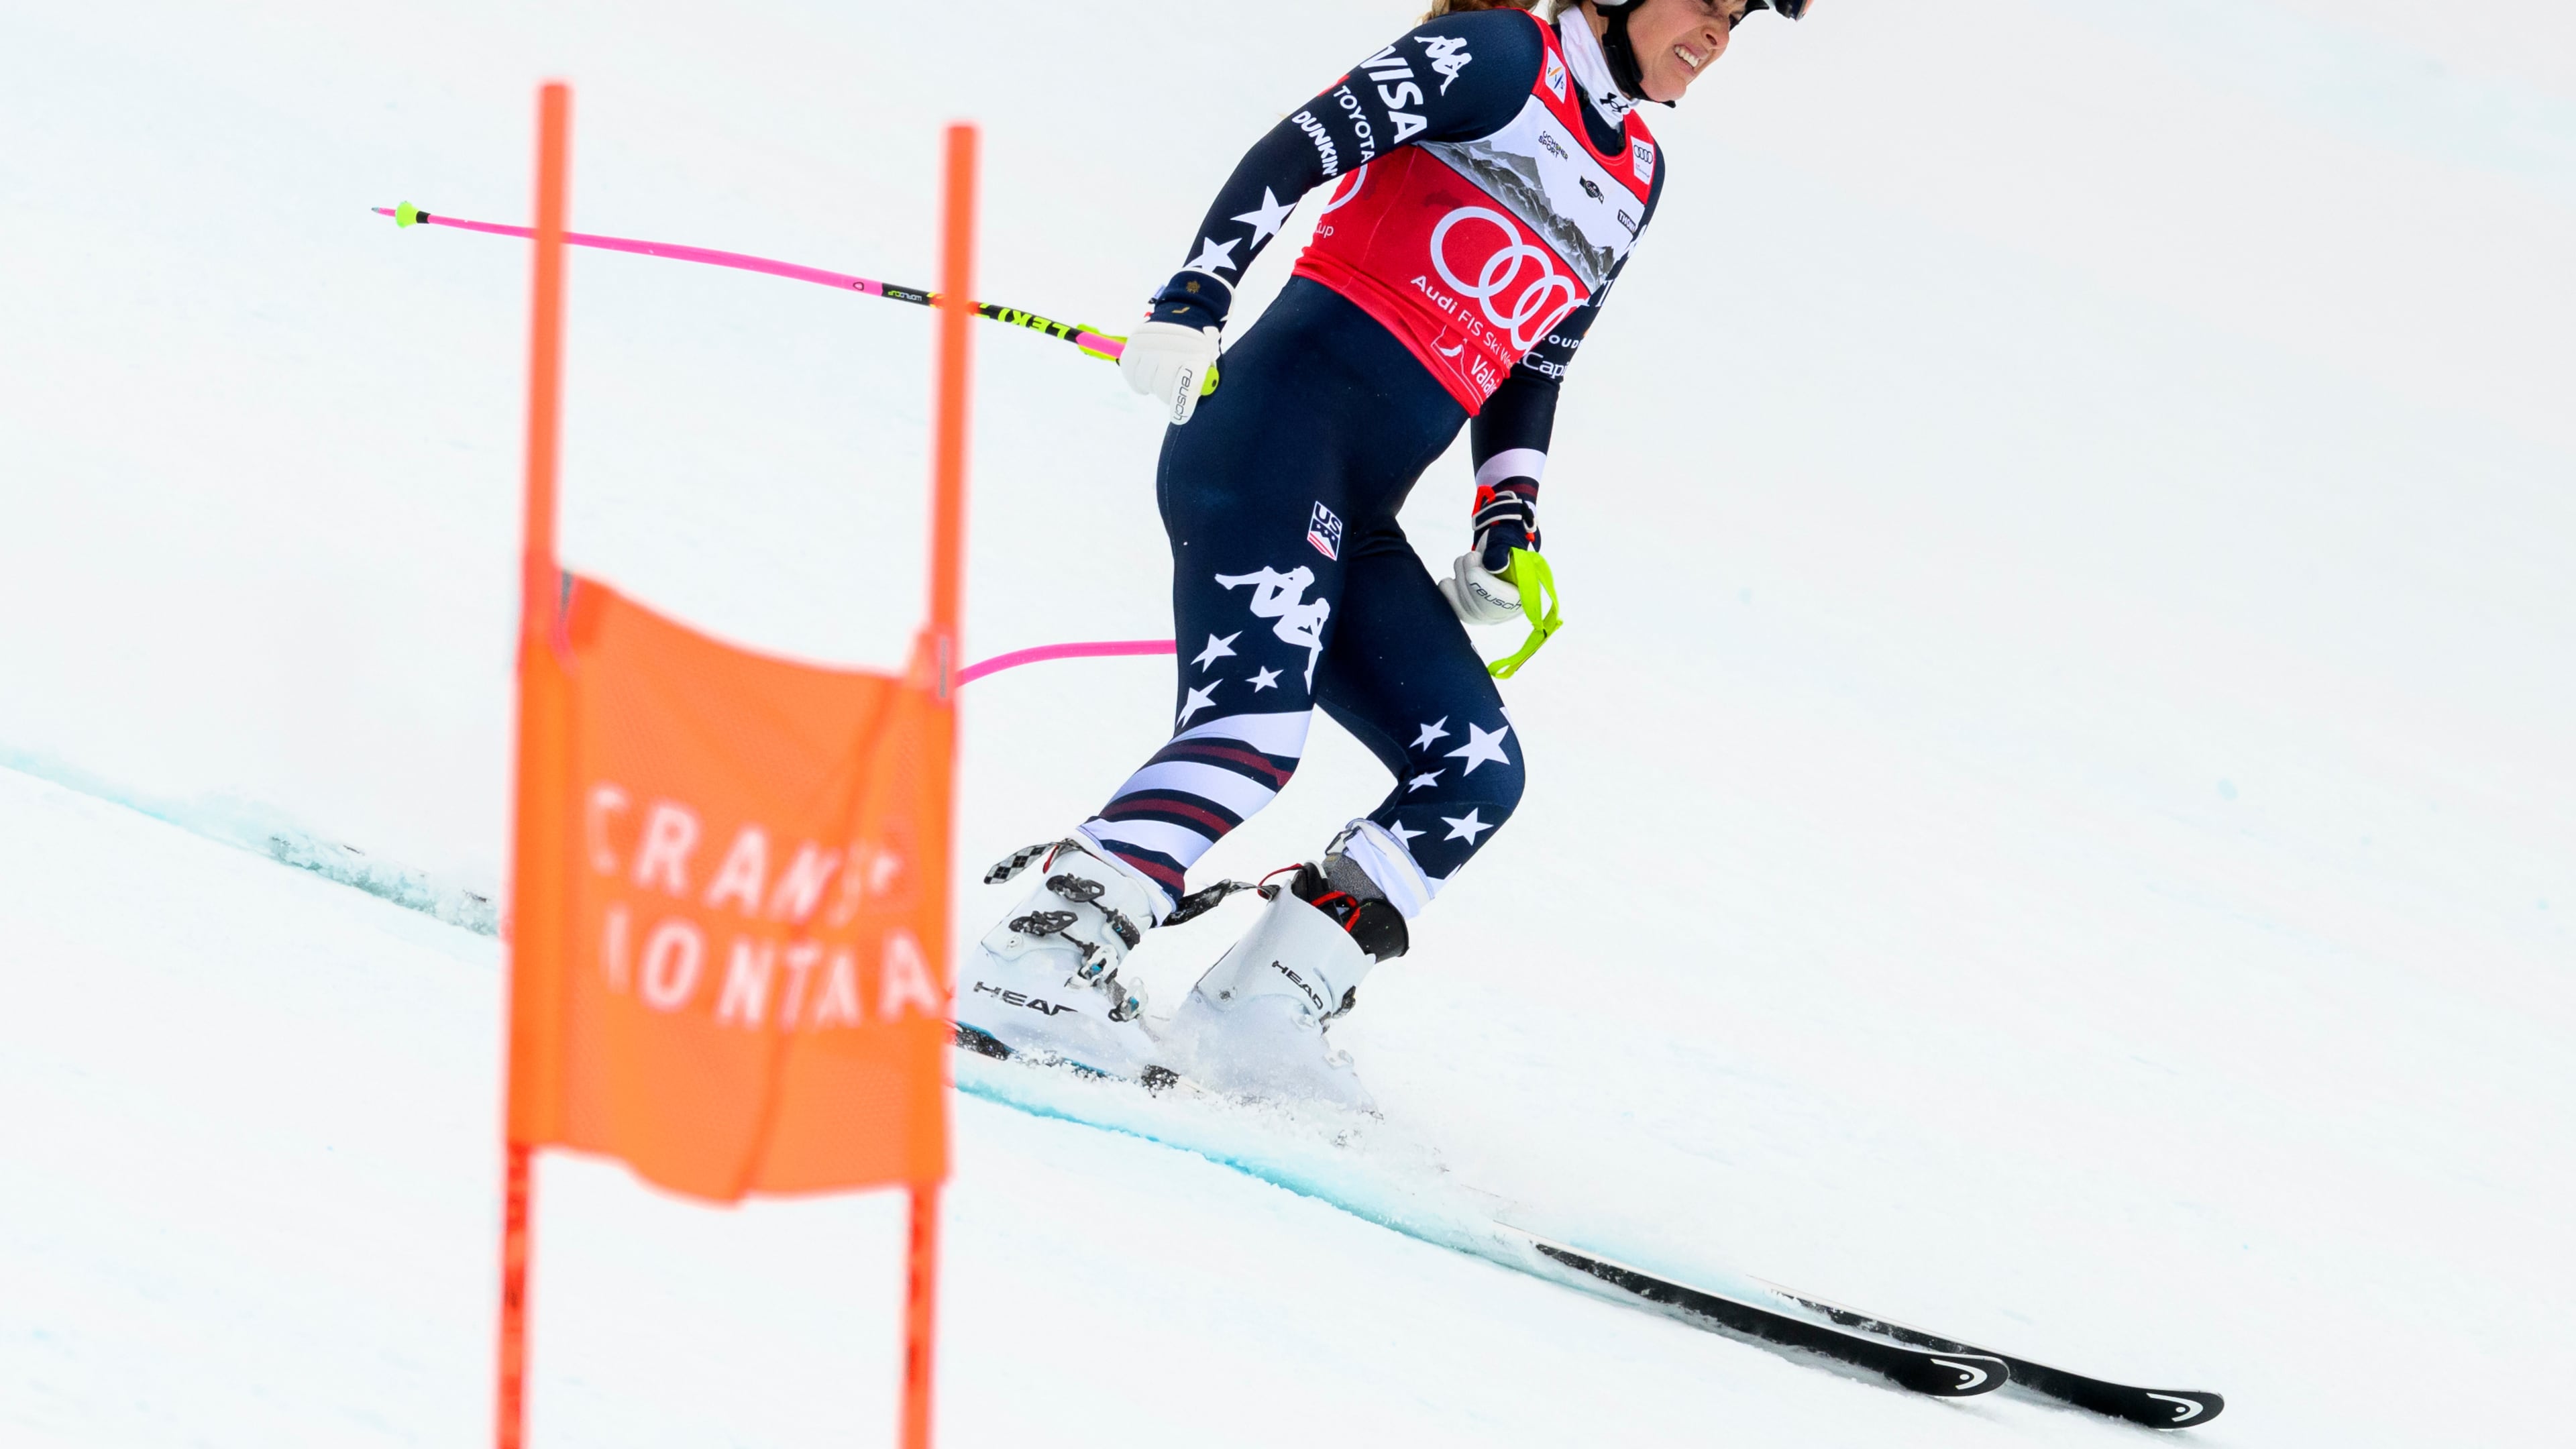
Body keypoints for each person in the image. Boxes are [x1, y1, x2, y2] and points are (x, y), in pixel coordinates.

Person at [957, 0, 1807, 1105]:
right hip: (1266, 445)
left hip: (1360, 513)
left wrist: (1509, 521)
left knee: (1475, 769)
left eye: (1738, 20)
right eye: (1707, 1)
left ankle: (1256, 1015)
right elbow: (1300, 145)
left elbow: (1537, 361)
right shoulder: (1504, 53)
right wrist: (1193, 299)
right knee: (1254, 735)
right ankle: (1033, 961)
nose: (1717, 37)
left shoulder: (1636, 172)